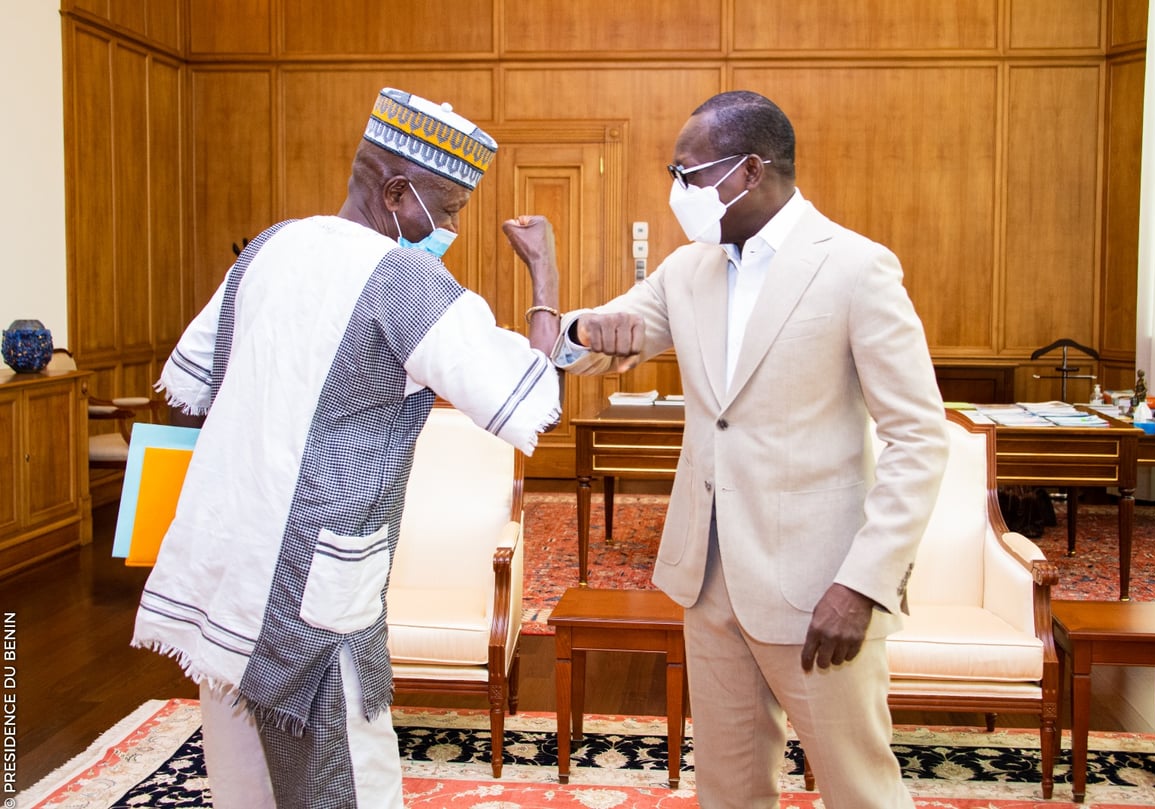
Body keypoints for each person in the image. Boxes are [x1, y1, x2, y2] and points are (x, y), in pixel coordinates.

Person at [131, 88, 565, 809]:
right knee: (347, 785)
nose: (449, 227)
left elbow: (192, 384)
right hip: (310, 589)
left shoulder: (269, 246)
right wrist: (544, 274)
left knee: (244, 786)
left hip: (222, 567)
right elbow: (530, 402)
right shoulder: (408, 279)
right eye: (448, 210)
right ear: (397, 192)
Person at [552, 90, 949, 808]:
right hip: (708, 580)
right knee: (728, 788)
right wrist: (578, 329)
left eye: (689, 174)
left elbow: (919, 437)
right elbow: (604, 337)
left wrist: (862, 583)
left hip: (819, 588)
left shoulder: (856, 269)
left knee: (858, 787)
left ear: (748, 171)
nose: (678, 192)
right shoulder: (686, 269)